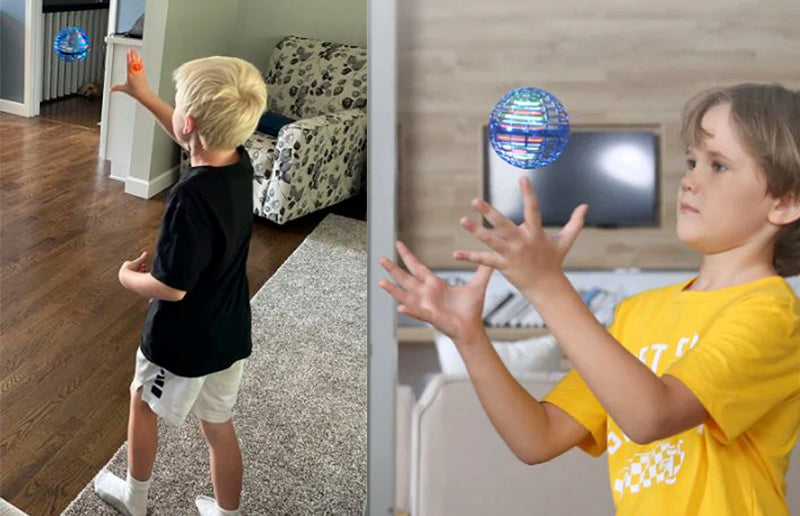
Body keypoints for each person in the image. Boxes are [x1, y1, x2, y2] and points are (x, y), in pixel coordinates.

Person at [379, 83, 800, 515]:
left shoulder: (773, 315)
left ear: (786, 204)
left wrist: (546, 286)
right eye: (692, 161)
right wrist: (470, 336)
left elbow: (650, 417)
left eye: (718, 166)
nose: (689, 180)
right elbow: (537, 437)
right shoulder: (640, 312)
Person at [94, 48, 266, 516]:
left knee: (141, 403)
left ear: (188, 124)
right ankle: (228, 513)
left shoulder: (188, 198)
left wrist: (127, 277)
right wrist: (146, 96)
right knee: (218, 424)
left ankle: (135, 499)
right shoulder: (238, 162)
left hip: (182, 340)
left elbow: (172, 287)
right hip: (230, 331)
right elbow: (192, 132)